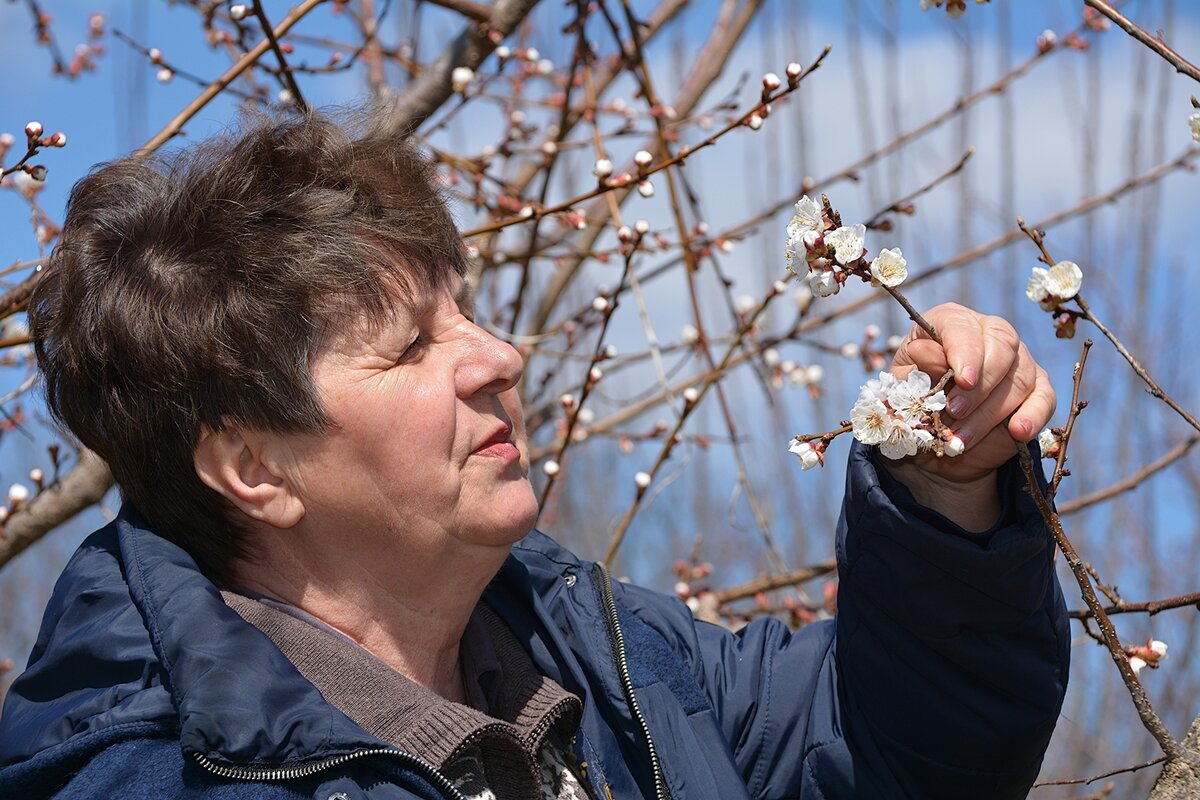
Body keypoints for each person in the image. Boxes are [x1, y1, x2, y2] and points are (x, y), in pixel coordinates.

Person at [0, 111, 1068, 800]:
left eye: (468, 314)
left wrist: (942, 494)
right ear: (253, 468)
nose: (501, 357)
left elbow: (898, 750)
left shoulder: (608, 656)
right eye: (413, 345)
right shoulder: (145, 774)